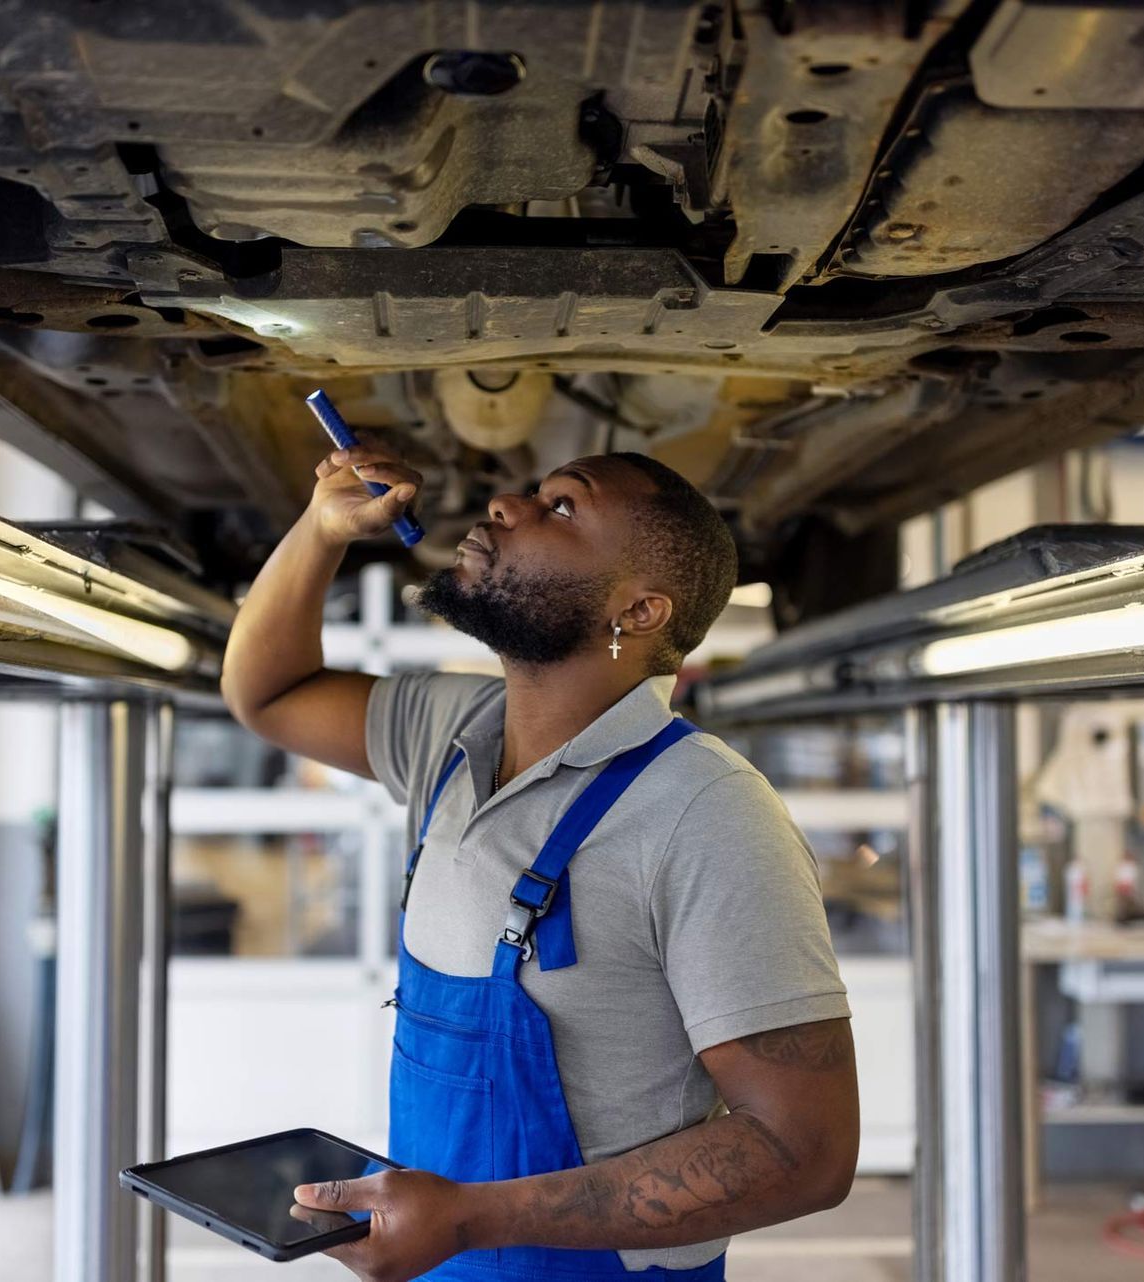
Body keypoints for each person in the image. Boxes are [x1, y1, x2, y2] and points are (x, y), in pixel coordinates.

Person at [221, 431, 857, 1282]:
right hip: (436, 1259)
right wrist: (321, 530)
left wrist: (472, 1219)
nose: (503, 506)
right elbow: (267, 693)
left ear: (639, 611)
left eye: (561, 506)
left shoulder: (706, 813)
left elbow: (804, 1150)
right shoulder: (455, 731)